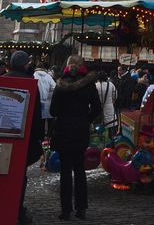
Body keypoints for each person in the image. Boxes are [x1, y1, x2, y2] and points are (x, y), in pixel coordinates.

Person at [49, 54, 102, 220]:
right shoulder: (89, 85)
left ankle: (66, 210)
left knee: (65, 172)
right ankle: (81, 208)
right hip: (80, 131)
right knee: (80, 170)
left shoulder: (60, 85)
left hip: (64, 130)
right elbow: (97, 108)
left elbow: (53, 111)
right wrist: (86, 119)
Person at [6, 50, 45, 225]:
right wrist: (39, 138)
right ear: (25, 65)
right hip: (24, 139)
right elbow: (37, 115)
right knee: (20, 175)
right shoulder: (30, 84)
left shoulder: (4, 79)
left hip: (6, 135)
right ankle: (17, 210)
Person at [34, 61, 56, 134]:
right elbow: (54, 87)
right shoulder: (48, 76)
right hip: (47, 102)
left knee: (39, 121)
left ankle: (40, 136)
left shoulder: (34, 75)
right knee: (47, 121)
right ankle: (47, 135)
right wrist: (49, 93)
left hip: (37, 102)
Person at [94, 69, 117, 135]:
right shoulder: (111, 84)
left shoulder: (95, 86)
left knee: (99, 132)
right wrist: (111, 102)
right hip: (110, 111)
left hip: (98, 113)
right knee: (111, 132)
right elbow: (115, 95)